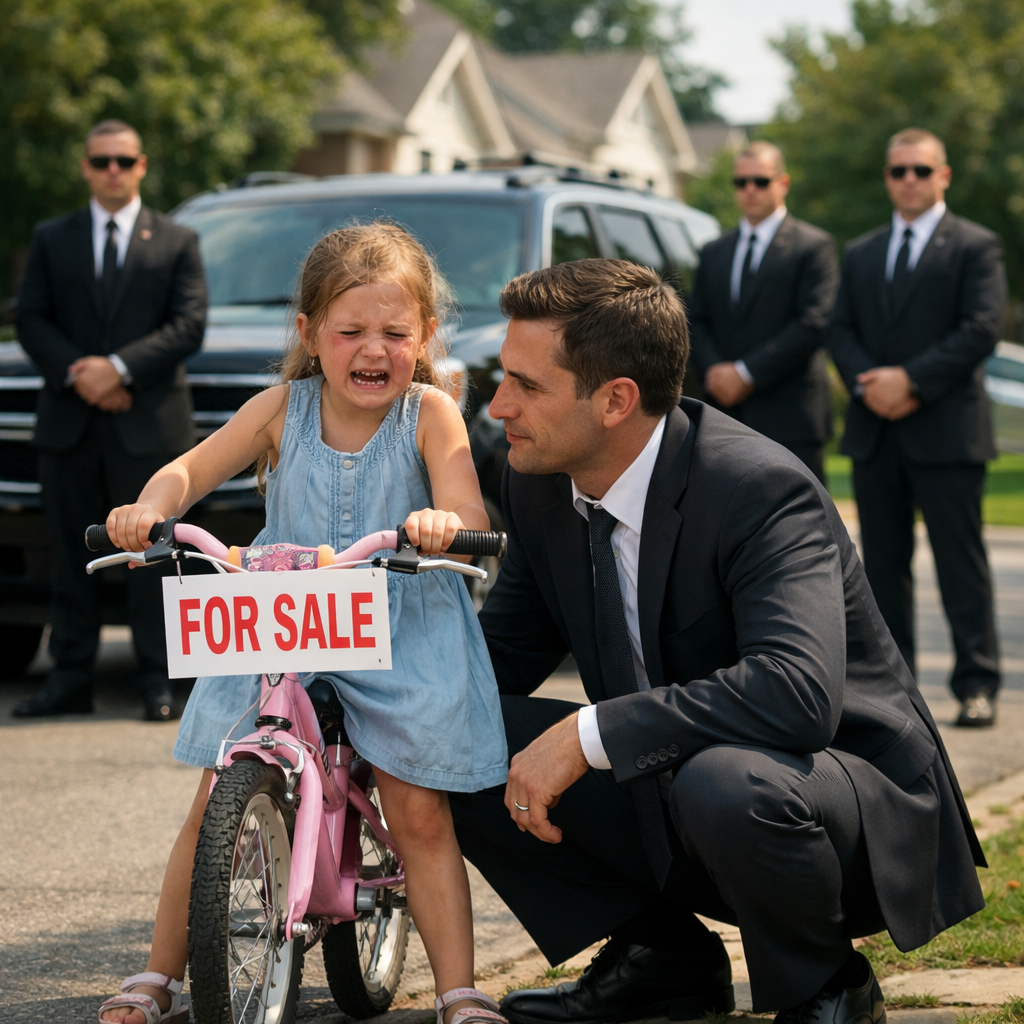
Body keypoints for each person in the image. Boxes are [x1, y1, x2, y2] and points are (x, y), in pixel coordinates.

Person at [448, 259, 984, 1024]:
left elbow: (796, 695)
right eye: (502, 377)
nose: (499, 405)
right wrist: (363, 686)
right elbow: (496, 658)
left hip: (838, 799)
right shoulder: (538, 483)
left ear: (616, 400)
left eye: (526, 385)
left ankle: (828, 985)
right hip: (683, 780)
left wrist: (590, 733)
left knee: (722, 781)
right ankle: (662, 958)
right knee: (443, 729)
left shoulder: (756, 486)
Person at [97, 224, 509, 1024]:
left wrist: (443, 523)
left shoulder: (430, 414)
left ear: (426, 336)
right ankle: (158, 976)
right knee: (212, 798)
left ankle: (458, 989)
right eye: (350, 331)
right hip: (284, 619)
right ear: (310, 333)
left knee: (417, 812)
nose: (373, 349)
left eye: (395, 333)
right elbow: (188, 469)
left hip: (400, 622)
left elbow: (468, 510)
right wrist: (150, 507)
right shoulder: (280, 408)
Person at [14, 119, 207, 721]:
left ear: (141, 165)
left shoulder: (177, 240)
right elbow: (30, 318)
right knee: (72, 557)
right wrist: (83, 374)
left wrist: (119, 370)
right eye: (101, 161)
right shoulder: (53, 237)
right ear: (86, 168)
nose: (113, 170)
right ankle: (69, 678)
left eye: (124, 160)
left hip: (148, 427)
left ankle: (158, 680)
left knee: (153, 556)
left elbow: (189, 324)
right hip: (70, 426)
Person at [829, 127, 1006, 728]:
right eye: (898, 170)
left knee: (961, 565)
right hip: (876, 431)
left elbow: (981, 328)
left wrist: (909, 381)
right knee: (881, 570)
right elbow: (840, 329)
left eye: (921, 170)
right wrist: (870, 385)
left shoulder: (976, 245)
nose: (909, 180)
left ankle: (977, 684)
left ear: (943, 176)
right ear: (887, 177)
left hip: (948, 432)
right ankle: (894, 695)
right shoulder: (862, 252)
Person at [688, 140, 839, 484]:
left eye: (760, 181)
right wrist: (715, 371)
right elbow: (697, 319)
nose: (750, 189)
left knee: (798, 515)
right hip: (724, 416)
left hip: (790, 416)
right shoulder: (713, 251)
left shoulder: (813, 246)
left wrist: (746, 373)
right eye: (741, 182)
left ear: (783, 183)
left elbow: (814, 322)